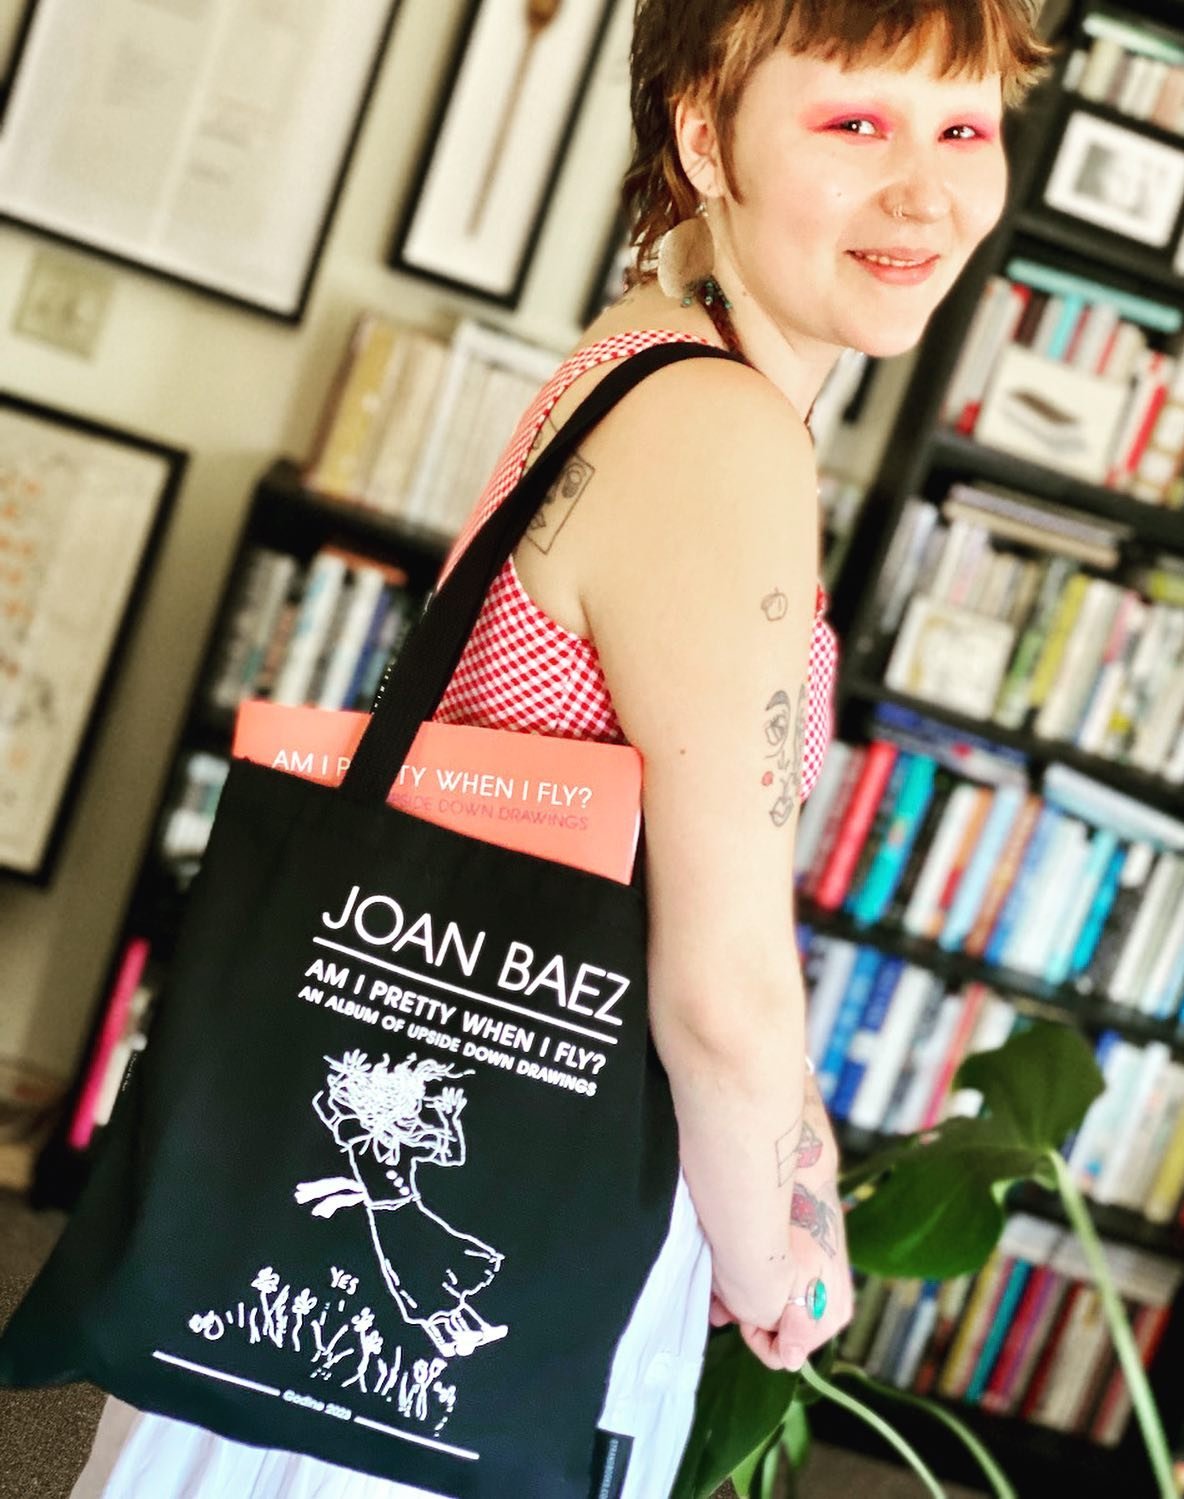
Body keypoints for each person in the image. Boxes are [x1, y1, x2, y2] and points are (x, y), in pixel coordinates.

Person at [69, 1, 1050, 1494]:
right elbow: (720, 982)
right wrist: (771, 1257)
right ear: (704, 135)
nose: (925, 191)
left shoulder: (643, 347)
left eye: (963, 128)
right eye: (855, 125)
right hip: (513, 1238)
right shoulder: (720, 434)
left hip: (395, 1218)